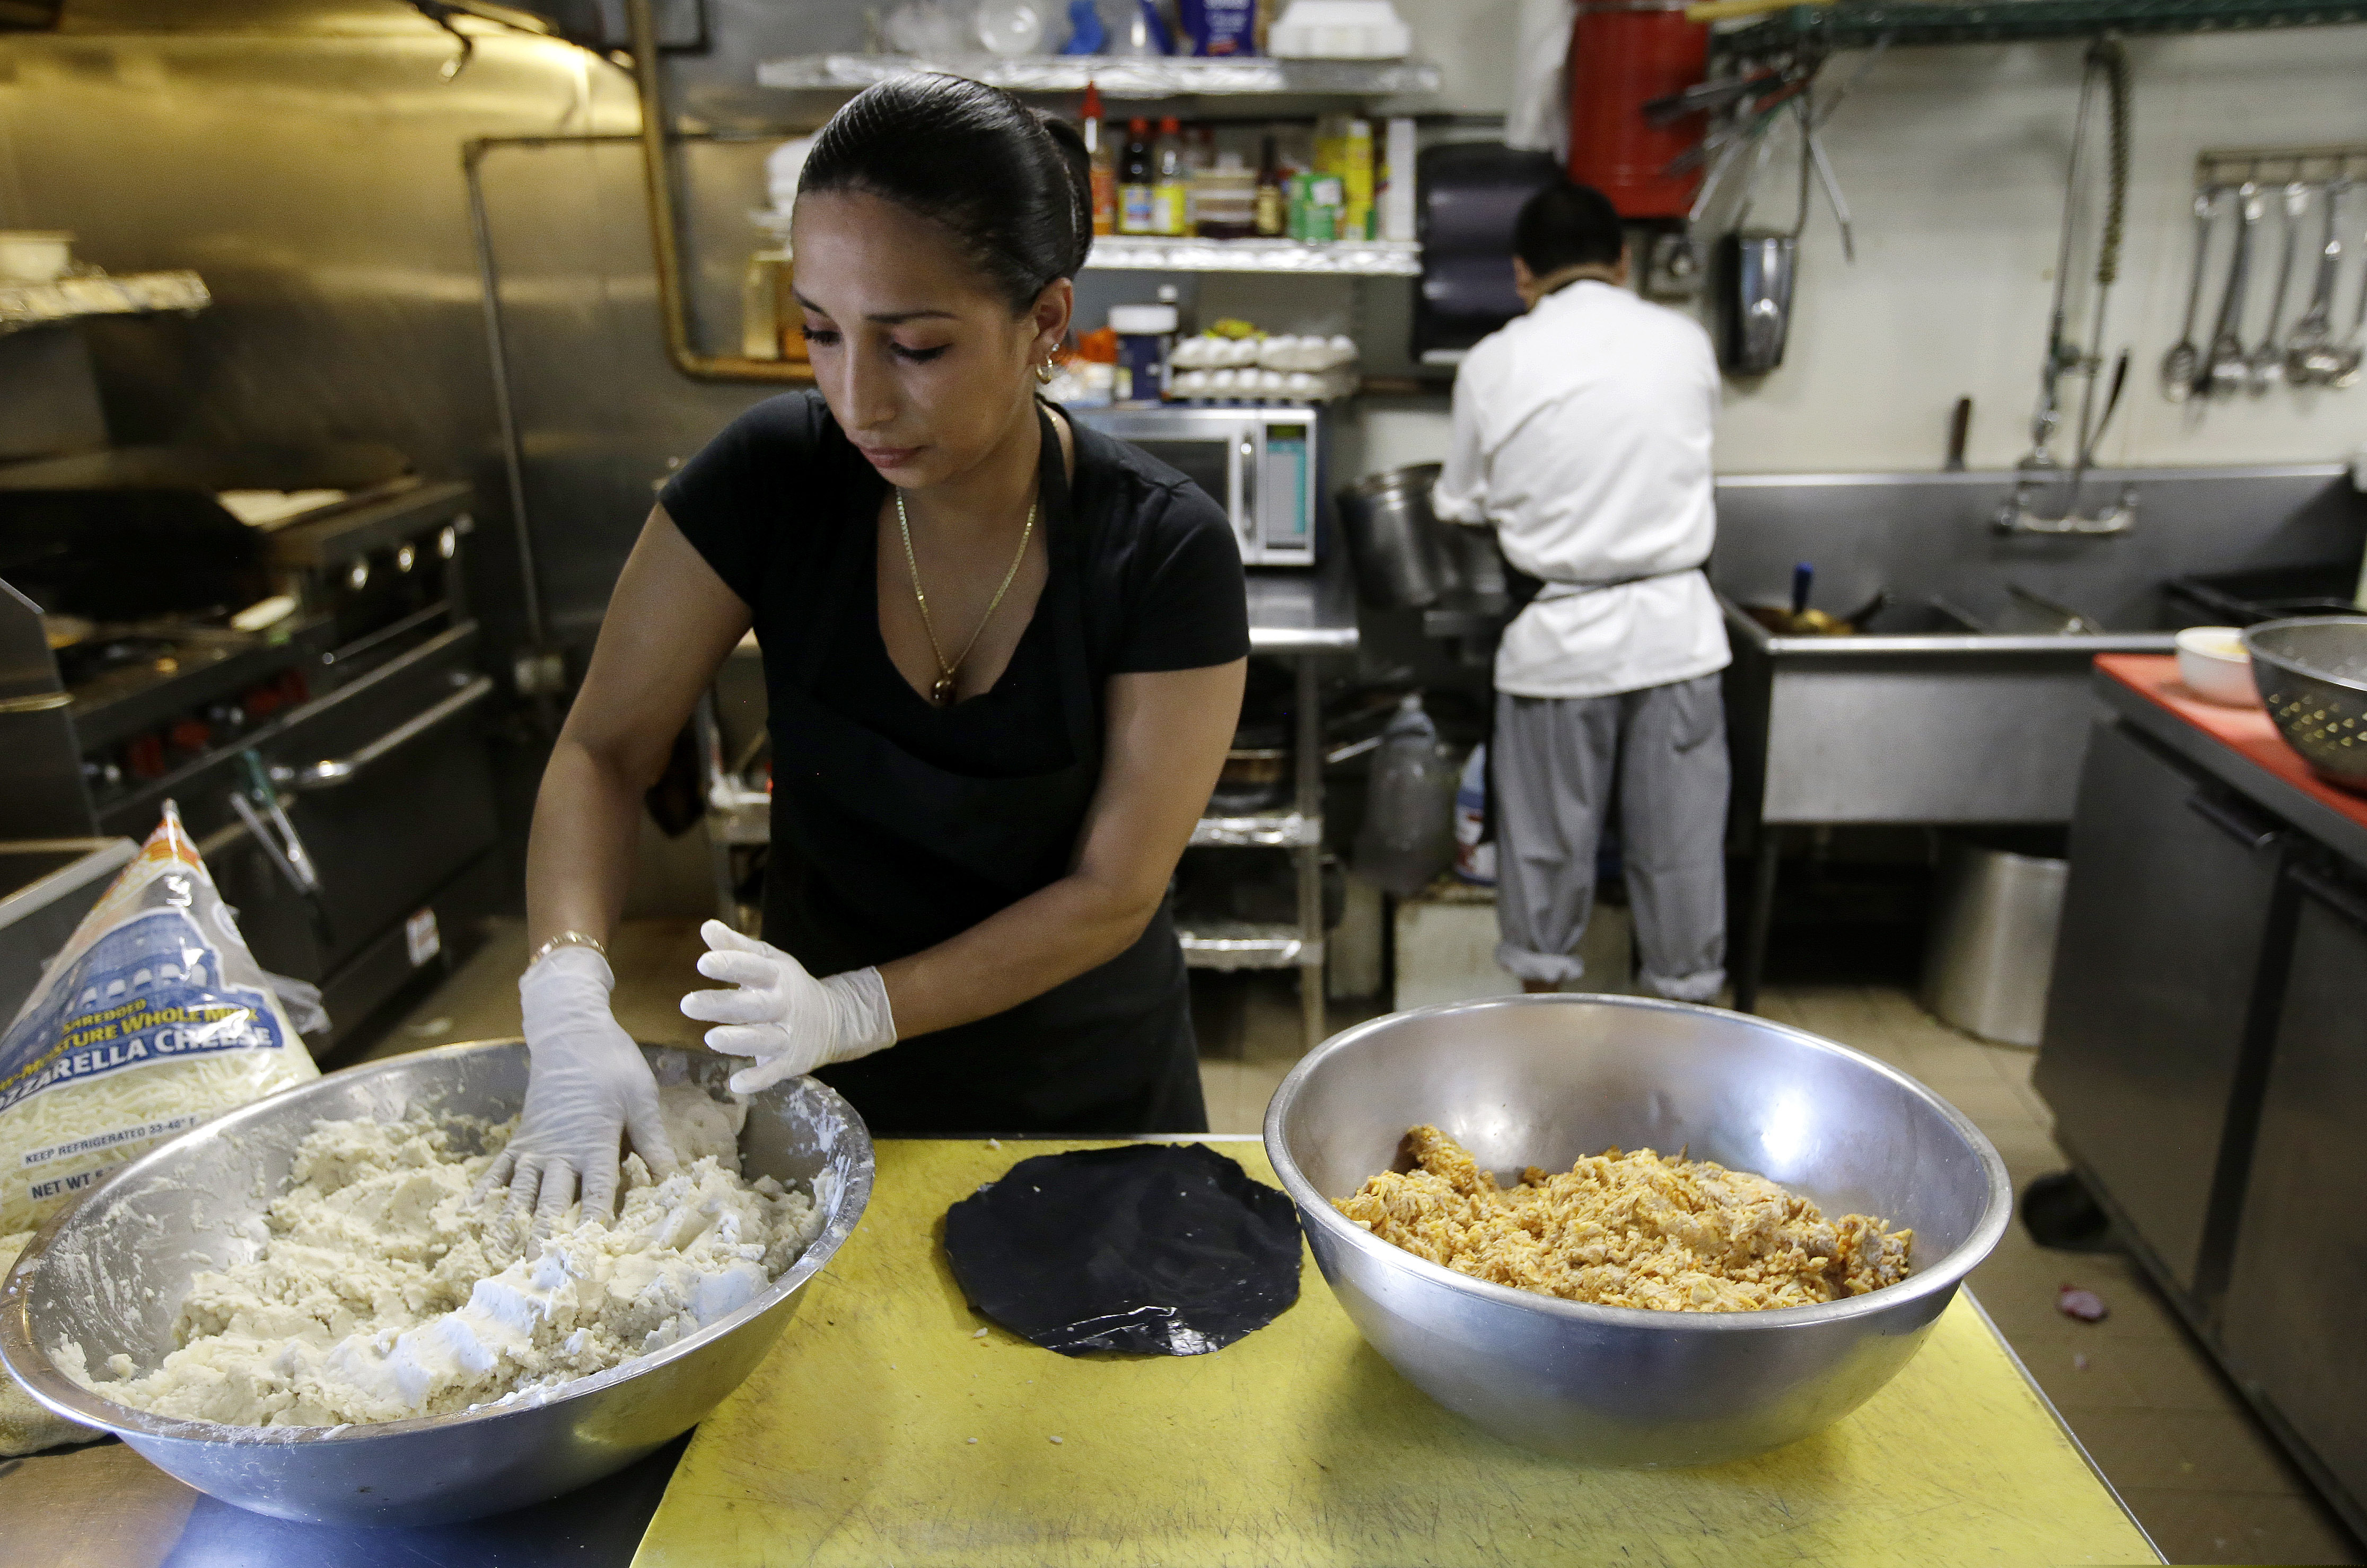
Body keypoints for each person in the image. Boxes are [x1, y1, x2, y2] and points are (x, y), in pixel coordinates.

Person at [480, 75, 1249, 1229]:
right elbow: (603, 748)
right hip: (822, 1092)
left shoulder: (1160, 547)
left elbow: (1112, 893)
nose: (857, 399)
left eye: (918, 347)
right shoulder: (772, 479)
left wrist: (852, 1007)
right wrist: (568, 993)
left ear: (1045, 323)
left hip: (1085, 1097)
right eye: (821, 333)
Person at [1431, 179, 1729, 1003]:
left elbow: (1457, 501)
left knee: (1546, 864)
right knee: (1680, 861)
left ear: (1522, 274)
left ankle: (1547, 1062)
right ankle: (1685, 1073)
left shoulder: (1495, 360)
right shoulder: (1685, 341)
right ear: (1623, 262)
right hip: (1678, 637)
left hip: (1557, 649)